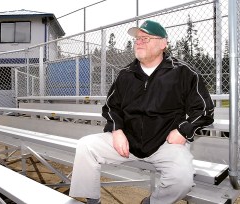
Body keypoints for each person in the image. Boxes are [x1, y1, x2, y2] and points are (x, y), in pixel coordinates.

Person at [69, 20, 214, 204]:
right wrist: (117, 130)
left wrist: (182, 131)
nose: (138, 42)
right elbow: (112, 107)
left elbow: (204, 110)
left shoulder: (184, 73)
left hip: (165, 143)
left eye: (145, 38)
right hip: (128, 141)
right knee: (86, 146)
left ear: (163, 43)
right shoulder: (126, 74)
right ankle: (92, 201)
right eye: (137, 38)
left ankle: (152, 202)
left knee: (182, 179)